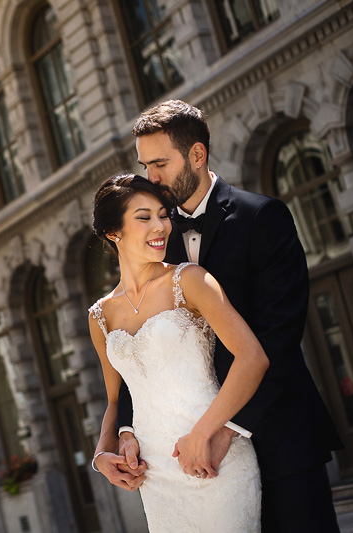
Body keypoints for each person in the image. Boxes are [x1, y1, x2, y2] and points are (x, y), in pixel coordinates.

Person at [93, 100, 343, 532]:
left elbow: (278, 340)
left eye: (159, 164)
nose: (150, 178)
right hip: (183, 464)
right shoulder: (153, 238)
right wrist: (124, 434)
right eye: (145, 166)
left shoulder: (262, 217)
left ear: (196, 155)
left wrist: (225, 428)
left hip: (278, 433)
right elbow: (140, 363)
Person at [88, 174, 269, 531]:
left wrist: (205, 434)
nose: (160, 226)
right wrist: (101, 457)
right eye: (144, 217)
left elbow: (253, 358)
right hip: (155, 475)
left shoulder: (190, 280)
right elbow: (116, 399)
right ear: (113, 232)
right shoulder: (100, 316)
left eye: (162, 214)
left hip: (214, 455)